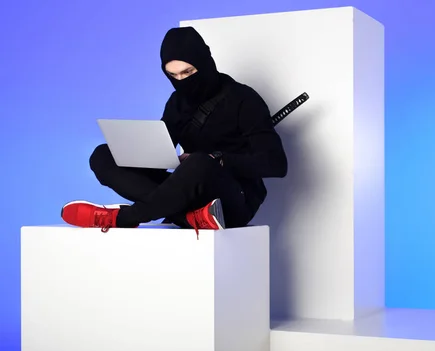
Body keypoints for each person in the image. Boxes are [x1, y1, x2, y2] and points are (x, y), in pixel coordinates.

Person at [61, 26, 288, 236]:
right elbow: (162, 150)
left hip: (234, 200)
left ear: (205, 62)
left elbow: (276, 164)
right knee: (103, 155)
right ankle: (190, 218)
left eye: (188, 72)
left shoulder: (244, 99)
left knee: (199, 163)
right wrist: (137, 154)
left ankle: (124, 217)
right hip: (189, 195)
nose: (181, 81)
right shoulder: (177, 102)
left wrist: (218, 159)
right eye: (173, 75)